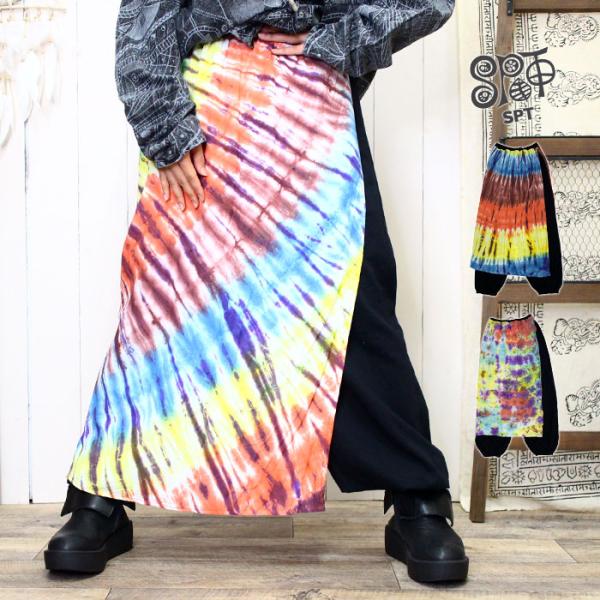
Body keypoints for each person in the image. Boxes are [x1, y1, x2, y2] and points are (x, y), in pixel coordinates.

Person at [43, 0, 468, 584]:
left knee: (351, 300)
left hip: (314, 95)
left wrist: (341, 41)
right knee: (164, 300)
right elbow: (145, 9)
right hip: (204, 97)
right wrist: (164, 123)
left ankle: (418, 497)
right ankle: (101, 498)